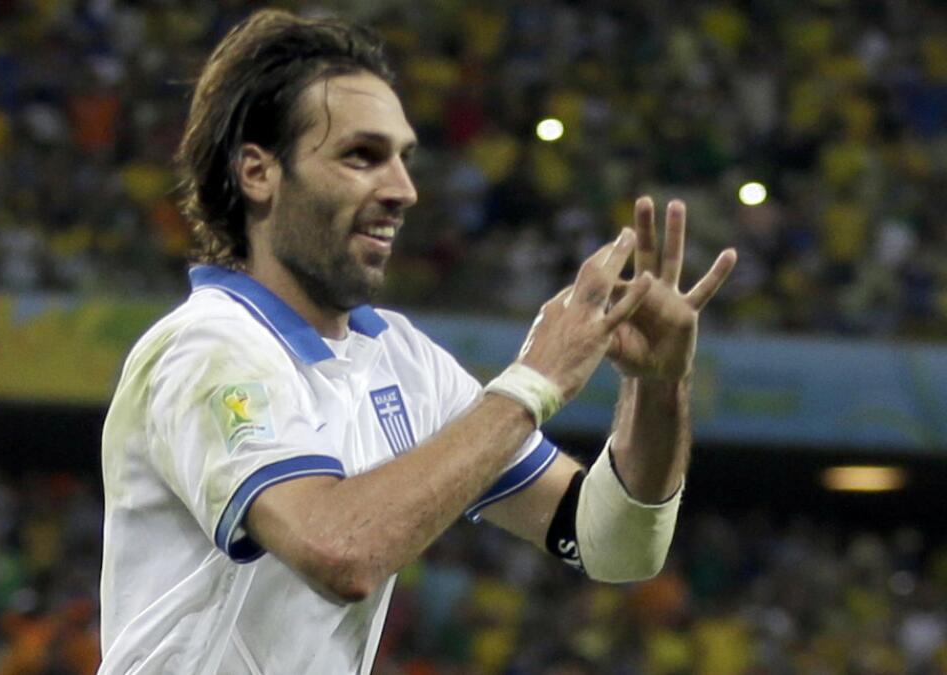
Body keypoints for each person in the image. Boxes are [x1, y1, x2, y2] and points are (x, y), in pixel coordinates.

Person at [98, 9, 737, 674]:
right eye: (361, 156)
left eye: (404, 159)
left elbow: (615, 544)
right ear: (259, 173)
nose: (403, 190)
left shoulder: (400, 358)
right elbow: (339, 550)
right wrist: (533, 381)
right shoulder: (208, 348)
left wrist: (658, 385)